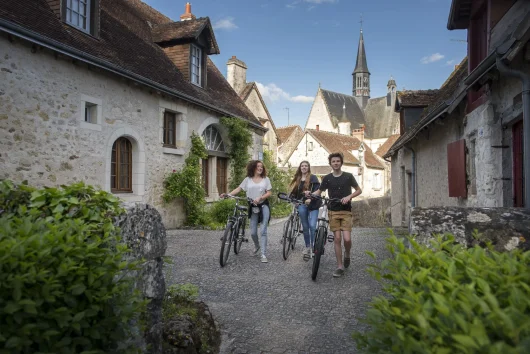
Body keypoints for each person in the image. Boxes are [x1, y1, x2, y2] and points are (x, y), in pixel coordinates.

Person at [308, 152, 362, 278]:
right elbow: (319, 191)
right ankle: (339, 266)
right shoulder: (327, 178)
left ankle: (347, 253)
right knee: (337, 239)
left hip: (346, 211)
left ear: (341, 162)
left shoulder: (348, 176)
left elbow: (359, 190)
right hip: (333, 211)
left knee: (347, 239)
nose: (336, 163)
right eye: (333, 161)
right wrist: (310, 195)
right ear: (330, 164)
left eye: (338, 161)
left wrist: (349, 197)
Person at [221, 160, 272, 263]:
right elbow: (238, 189)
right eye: (258, 166)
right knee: (253, 232)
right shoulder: (247, 180)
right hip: (252, 207)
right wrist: (228, 194)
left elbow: (269, 193)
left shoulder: (266, 179)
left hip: (263, 206)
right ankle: (257, 246)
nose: (260, 168)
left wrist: (260, 197)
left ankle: (263, 254)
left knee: (263, 231)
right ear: (253, 167)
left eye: (261, 167)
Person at [288, 161, 321, 261]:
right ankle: (308, 246)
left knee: (312, 225)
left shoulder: (313, 178)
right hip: (302, 205)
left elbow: (318, 190)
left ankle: (314, 246)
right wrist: (291, 198)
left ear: (309, 168)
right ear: (300, 167)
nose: (304, 167)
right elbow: (294, 192)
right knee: (305, 227)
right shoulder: (298, 179)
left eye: (306, 166)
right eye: (302, 166)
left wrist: (310, 197)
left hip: (313, 205)